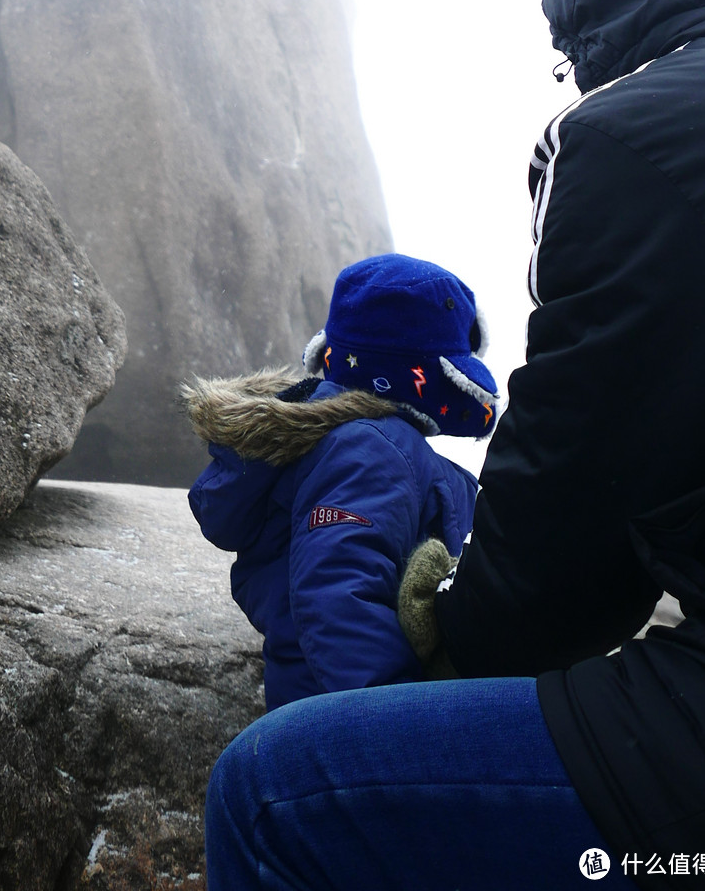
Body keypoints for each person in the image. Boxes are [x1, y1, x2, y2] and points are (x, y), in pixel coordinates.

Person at [205, 0, 705, 890]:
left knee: (273, 795)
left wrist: (444, 633)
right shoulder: (375, 454)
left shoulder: (646, 129)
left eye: (570, 53)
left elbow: (571, 539)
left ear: (603, 19)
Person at [185, 251, 497, 710]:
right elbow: (338, 593)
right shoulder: (374, 450)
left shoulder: (357, 442)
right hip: (340, 719)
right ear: (424, 374)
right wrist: (393, 720)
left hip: (314, 698)